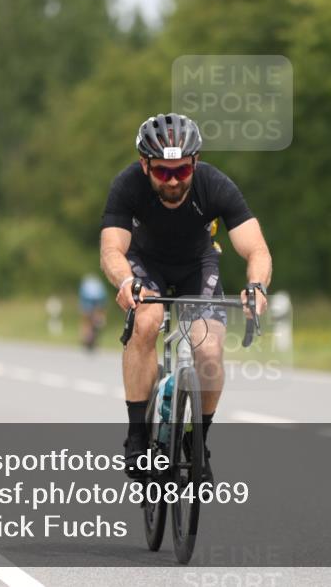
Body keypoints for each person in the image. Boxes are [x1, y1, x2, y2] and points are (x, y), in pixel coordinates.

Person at [99, 113, 271, 481]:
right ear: (145, 165)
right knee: (145, 323)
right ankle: (137, 436)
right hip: (145, 265)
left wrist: (256, 287)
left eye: (182, 170)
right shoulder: (128, 185)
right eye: (163, 172)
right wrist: (125, 282)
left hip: (197, 266)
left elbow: (256, 248)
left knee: (209, 350)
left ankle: (198, 443)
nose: (174, 181)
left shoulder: (215, 184)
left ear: (195, 162)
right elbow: (112, 249)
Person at [78, 273, 108, 351]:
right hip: (98, 299)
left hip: (88, 299)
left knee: (86, 320)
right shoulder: (98, 284)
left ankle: (86, 338)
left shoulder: (87, 284)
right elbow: (103, 300)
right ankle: (93, 336)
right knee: (96, 319)